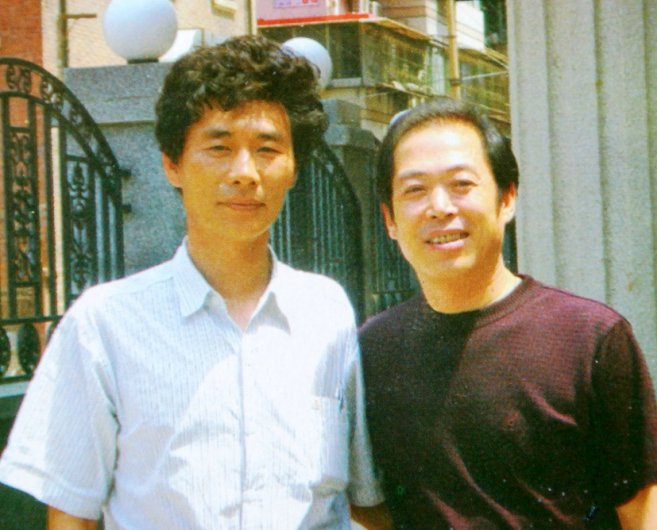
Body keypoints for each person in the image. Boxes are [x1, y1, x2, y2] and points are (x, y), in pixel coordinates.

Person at [0, 35, 387, 529]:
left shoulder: (326, 312)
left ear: (293, 168)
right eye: (219, 147)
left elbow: (362, 504)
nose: (245, 173)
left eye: (267, 149)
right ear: (172, 164)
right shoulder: (105, 325)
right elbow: (71, 517)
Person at [360, 99, 657, 529]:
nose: (439, 207)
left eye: (461, 184)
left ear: (507, 198)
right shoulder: (373, 349)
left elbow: (646, 517)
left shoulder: (591, 339)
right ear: (389, 219)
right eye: (415, 190)